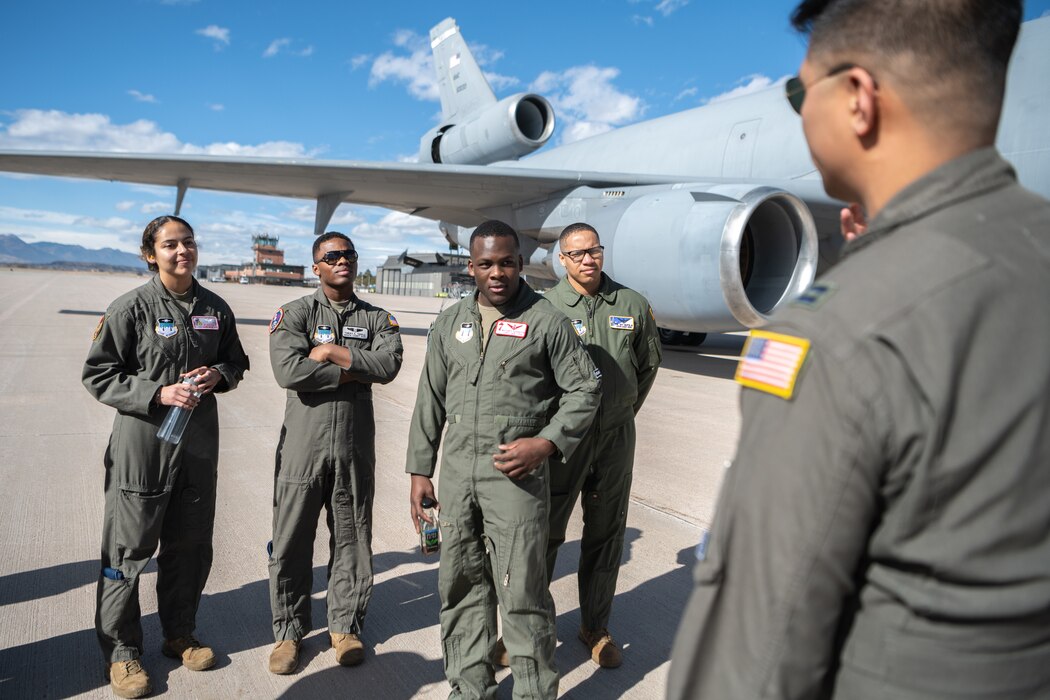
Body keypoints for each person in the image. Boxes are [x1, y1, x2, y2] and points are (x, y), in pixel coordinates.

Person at [667, 1, 1050, 698]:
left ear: (858, 99)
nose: (797, 110)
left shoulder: (837, 334)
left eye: (798, 90)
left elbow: (758, 654)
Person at [406, 220, 601, 699]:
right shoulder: (452, 323)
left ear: (519, 263)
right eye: (487, 263)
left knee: (521, 595)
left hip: (513, 478)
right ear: (471, 267)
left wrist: (547, 442)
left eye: (507, 262)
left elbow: (586, 386)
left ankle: (533, 692)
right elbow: (429, 396)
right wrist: (419, 470)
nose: (498, 272)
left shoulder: (546, 320)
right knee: (460, 588)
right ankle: (469, 688)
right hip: (456, 476)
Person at [83, 215, 249, 699]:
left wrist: (220, 374)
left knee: (190, 546)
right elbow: (99, 375)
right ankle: (122, 652)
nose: (183, 252)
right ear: (150, 254)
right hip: (143, 447)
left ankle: (180, 633)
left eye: (189, 243)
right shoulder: (130, 307)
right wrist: (158, 393)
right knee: (127, 551)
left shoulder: (214, 308)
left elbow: (236, 361)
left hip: (197, 448)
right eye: (171, 245)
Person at [266, 232, 403, 674]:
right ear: (317, 267)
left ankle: (344, 627)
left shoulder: (379, 318)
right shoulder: (295, 313)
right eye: (332, 256)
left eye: (348, 254)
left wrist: (331, 353)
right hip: (303, 447)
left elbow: (389, 366)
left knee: (352, 538)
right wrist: (353, 367)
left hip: (353, 447)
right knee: (291, 539)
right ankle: (288, 632)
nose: (342, 260)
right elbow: (289, 370)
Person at [539, 222, 661, 668]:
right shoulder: (545, 306)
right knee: (544, 534)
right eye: (577, 253)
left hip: (614, 439)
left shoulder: (631, 304)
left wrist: (620, 411)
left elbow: (647, 366)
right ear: (563, 260)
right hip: (561, 442)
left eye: (594, 250)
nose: (588, 259)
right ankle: (529, 628)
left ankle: (595, 626)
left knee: (605, 534)